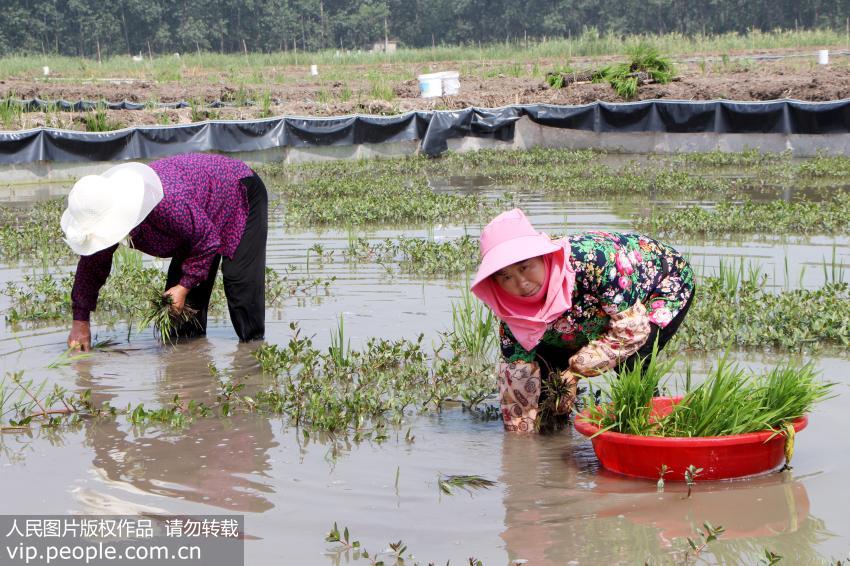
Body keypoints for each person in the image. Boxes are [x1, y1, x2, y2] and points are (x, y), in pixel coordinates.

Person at [471, 208, 695, 432]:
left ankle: (649, 430)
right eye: (507, 277)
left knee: (632, 364)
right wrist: (520, 443)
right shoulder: (510, 314)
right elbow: (518, 384)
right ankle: (557, 438)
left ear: (543, 257)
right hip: (596, 308)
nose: (522, 283)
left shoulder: (596, 262)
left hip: (658, 287)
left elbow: (631, 332)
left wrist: (576, 372)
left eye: (525, 267)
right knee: (548, 383)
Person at [62, 153, 268, 350]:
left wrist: (184, 286)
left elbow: (207, 240)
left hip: (238, 190)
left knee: (239, 283)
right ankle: (190, 368)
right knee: (178, 316)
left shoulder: (167, 203)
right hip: (196, 216)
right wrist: (80, 321)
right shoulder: (105, 212)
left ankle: (253, 355)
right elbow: (92, 266)